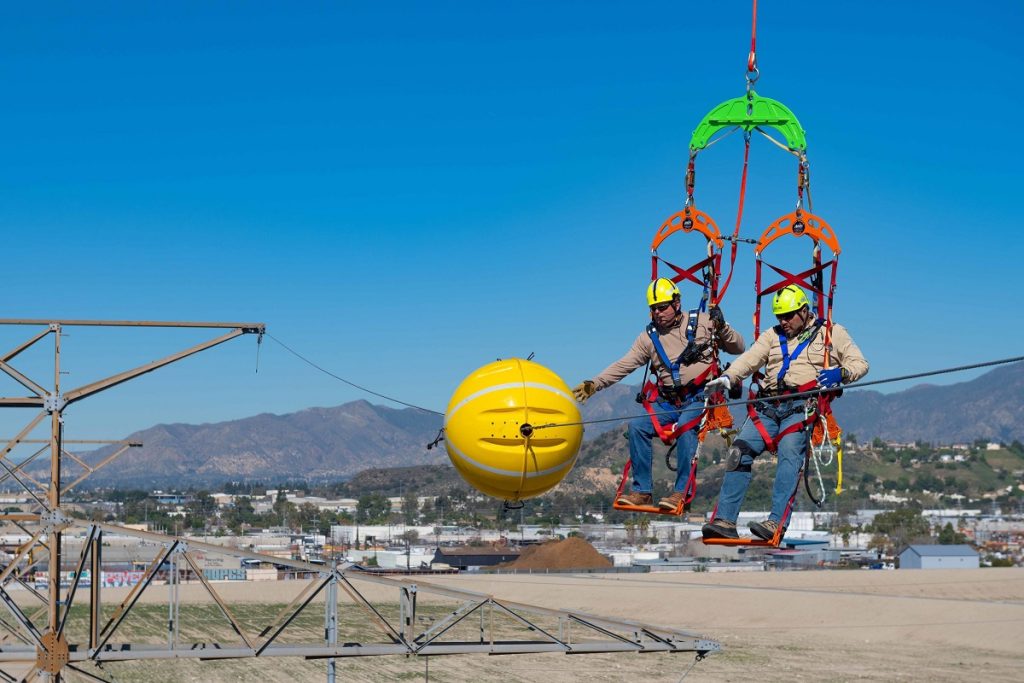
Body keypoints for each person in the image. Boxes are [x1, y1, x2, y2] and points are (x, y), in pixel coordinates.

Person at [701, 284, 868, 540]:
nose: (784, 321)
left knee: (790, 457)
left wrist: (841, 373)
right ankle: (724, 520)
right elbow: (750, 359)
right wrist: (728, 376)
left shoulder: (831, 333)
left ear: (803, 311)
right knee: (738, 453)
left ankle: (775, 523)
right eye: (780, 316)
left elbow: (860, 363)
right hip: (768, 406)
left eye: (789, 315)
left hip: (800, 408)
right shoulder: (772, 335)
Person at [573, 278, 745, 510]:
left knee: (685, 426)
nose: (657, 313)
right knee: (637, 427)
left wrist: (723, 327)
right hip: (669, 402)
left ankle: (680, 492)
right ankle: (642, 491)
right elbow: (624, 364)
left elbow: (738, 347)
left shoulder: (704, 323)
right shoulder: (648, 338)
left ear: (676, 303)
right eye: (653, 308)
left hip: (700, 397)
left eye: (662, 307)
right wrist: (595, 383)